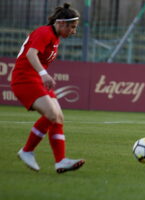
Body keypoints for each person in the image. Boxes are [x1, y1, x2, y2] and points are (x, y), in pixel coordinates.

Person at [11, 3, 85, 173]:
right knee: (51, 114)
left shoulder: (55, 37)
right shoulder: (45, 32)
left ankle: (61, 161)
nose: (74, 31)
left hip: (35, 78)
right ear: (61, 23)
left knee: (58, 117)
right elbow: (31, 54)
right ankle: (27, 151)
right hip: (25, 79)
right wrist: (44, 74)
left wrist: (42, 75)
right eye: (72, 27)